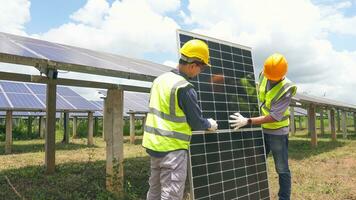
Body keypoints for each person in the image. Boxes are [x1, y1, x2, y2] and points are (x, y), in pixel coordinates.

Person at [142, 39, 218, 200]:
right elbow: (196, 122)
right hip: (172, 150)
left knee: (154, 190)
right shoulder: (184, 88)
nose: (200, 72)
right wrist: (209, 124)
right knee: (171, 194)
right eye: (201, 68)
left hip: (154, 146)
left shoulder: (159, 80)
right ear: (193, 65)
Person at [229, 53, 297, 200]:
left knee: (282, 168)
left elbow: (273, 117)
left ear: (282, 74)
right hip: (260, 130)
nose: (270, 79)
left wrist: (248, 121)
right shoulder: (263, 74)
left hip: (277, 132)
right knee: (256, 163)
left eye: (274, 77)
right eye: (269, 75)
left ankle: (284, 198)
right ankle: (254, 194)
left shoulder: (286, 89)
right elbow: (259, 97)